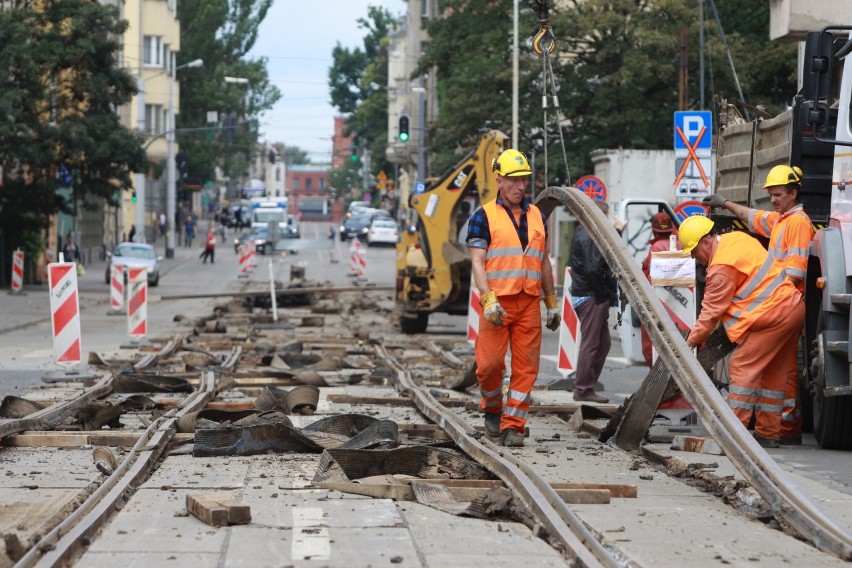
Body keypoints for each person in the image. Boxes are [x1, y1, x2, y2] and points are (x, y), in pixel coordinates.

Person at [703, 165, 813, 445]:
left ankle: (786, 429)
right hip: (784, 305)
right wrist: (725, 204)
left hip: (784, 304)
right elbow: (753, 217)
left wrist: (773, 298)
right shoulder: (781, 219)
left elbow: (796, 272)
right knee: (777, 371)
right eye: (771, 195)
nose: (773, 200)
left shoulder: (797, 223)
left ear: (793, 193)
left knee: (780, 371)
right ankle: (775, 431)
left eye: (778, 195)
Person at [679, 215, 805, 448]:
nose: (695, 258)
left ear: (706, 242)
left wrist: (690, 343)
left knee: (742, 367)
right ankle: (768, 433)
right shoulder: (737, 239)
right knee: (773, 374)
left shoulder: (721, 269)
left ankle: (733, 435)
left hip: (773, 315)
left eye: (694, 251)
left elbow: (710, 314)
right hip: (793, 308)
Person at [466, 149, 560, 448]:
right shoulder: (483, 216)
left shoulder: (538, 217)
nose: (520, 186)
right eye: (514, 180)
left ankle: (513, 426)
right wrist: (487, 298)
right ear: (499, 180)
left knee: (525, 369)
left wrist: (551, 301)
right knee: (489, 366)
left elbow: (543, 260)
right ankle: (492, 407)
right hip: (497, 302)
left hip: (529, 302)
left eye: (524, 180)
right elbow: (478, 262)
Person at [569, 200, 624, 404]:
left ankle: (587, 386)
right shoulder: (591, 235)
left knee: (603, 343)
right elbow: (594, 268)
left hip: (587, 293)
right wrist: (603, 296)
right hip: (591, 295)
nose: (607, 220)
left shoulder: (584, 231)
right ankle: (583, 389)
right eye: (605, 215)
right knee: (591, 344)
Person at [640, 212, 680, 366]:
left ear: (653, 229)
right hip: (677, 303)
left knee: (651, 346)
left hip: (657, 302)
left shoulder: (656, 247)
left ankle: (659, 382)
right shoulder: (679, 244)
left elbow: (650, 278)